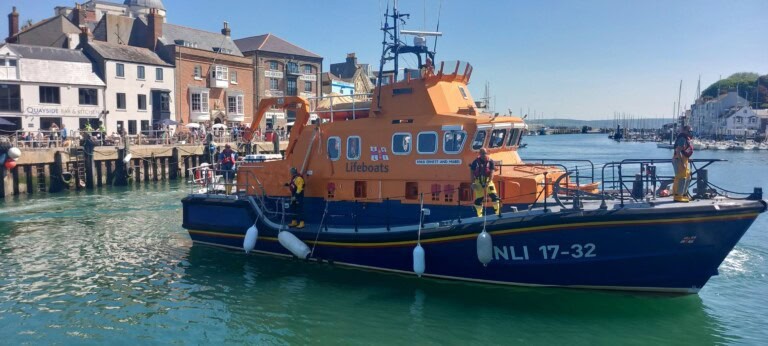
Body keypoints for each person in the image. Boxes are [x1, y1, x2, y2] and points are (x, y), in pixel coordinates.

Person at [469, 148, 500, 217]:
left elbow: (492, 172)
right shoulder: (475, 162)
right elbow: (471, 172)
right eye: (482, 153)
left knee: (494, 196)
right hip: (478, 181)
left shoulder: (490, 161)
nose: (484, 155)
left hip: (488, 180)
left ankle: (498, 213)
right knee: (479, 199)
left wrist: (488, 182)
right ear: (479, 154)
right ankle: (479, 215)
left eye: (485, 153)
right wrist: (472, 183)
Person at [672, 125, 694, 202]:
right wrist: (682, 162)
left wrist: (687, 159)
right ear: (684, 131)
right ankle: (677, 196)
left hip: (684, 160)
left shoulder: (686, 138)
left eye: (691, 131)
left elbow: (684, 151)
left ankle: (683, 194)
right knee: (681, 177)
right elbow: (678, 151)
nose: (690, 133)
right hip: (679, 160)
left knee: (688, 176)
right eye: (689, 131)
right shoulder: (682, 138)